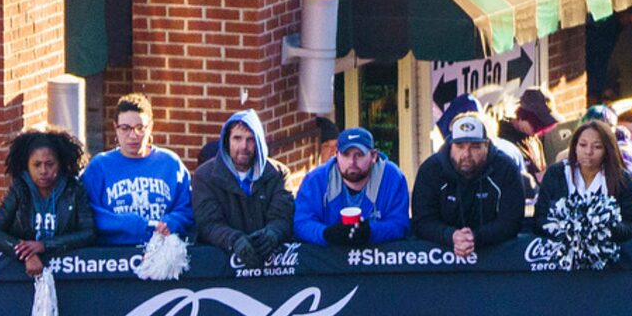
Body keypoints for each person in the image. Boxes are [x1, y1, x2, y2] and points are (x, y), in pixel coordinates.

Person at [414, 109, 529, 258]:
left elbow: (511, 221)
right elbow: (422, 221)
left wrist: (476, 237)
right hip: (440, 260)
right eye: (460, 146)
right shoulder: (431, 170)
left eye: (474, 147)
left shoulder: (505, 168)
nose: (466, 154)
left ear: (486, 145)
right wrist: (451, 236)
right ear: (450, 146)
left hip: (494, 259)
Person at [84, 93, 195, 245]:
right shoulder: (99, 166)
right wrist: (135, 225)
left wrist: (170, 222)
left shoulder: (170, 163)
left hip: (162, 252)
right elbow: (89, 213)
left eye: (140, 128)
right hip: (112, 257)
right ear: (115, 128)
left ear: (151, 128)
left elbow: (187, 207)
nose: (133, 135)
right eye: (125, 128)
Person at [533, 114, 632, 253]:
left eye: (597, 147)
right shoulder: (555, 174)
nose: (588, 152)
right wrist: (565, 231)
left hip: (609, 260)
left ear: (607, 150)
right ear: (575, 146)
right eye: (583, 145)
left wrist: (605, 229)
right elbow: (539, 219)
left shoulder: (622, 179)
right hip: (561, 256)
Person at [190, 109, 296, 263]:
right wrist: (234, 240)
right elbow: (208, 224)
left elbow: (283, 217)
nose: (243, 146)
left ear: (259, 142)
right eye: (237, 138)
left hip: (273, 262)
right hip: (222, 263)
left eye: (250, 139)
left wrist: (272, 234)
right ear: (227, 140)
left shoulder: (278, 174)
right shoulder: (204, 176)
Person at [0, 128, 99, 270]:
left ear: (60, 163)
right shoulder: (19, 188)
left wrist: (44, 245)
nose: (43, 171)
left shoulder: (73, 189)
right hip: (23, 272)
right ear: (27, 165)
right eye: (36, 165)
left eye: (50, 164)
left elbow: (88, 233)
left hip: (68, 269)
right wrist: (25, 252)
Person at [294, 125, 411, 246]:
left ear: (373, 156)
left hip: (375, 258)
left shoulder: (392, 177)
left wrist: (370, 232)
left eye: (359, 155)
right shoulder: (316, 179)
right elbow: (301, 222)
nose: (352, 161)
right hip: (329, 257)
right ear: (336, 155)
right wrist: (326, 234)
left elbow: (400, 224)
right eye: (346, 154)